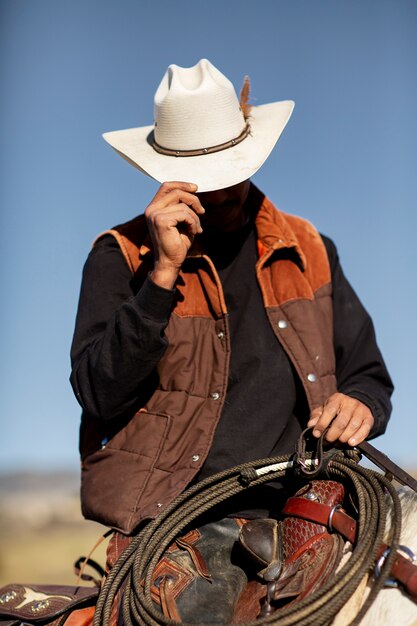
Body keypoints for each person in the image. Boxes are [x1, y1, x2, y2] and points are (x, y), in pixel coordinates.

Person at [70, 59, 393, 621]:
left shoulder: (310, 249)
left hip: (310, 496)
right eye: (203, 180)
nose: (219, 195)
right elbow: (99, 393)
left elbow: (366, 371)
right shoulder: (119, 257)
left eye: (229, 174)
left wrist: (360, 403)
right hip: (178, 512)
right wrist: (162, 277)